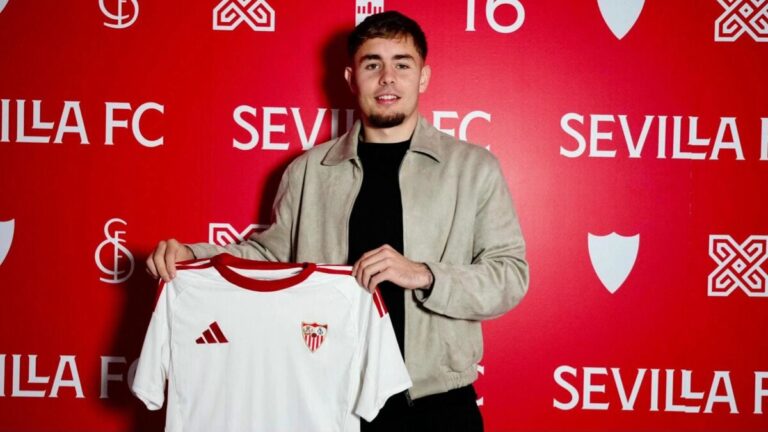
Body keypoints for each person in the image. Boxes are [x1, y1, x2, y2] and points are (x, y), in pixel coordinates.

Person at [146, 10, 528, 431]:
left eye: (402, 64)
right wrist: (192, 256)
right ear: (351, 79)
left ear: (422, 77)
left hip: (435, 403)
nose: (387, 78)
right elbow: (266, 256)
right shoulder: (309, 170)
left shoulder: (473, 168)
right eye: (372, 64)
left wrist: (423, 275)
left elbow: (509, 277)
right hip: (325, 398)